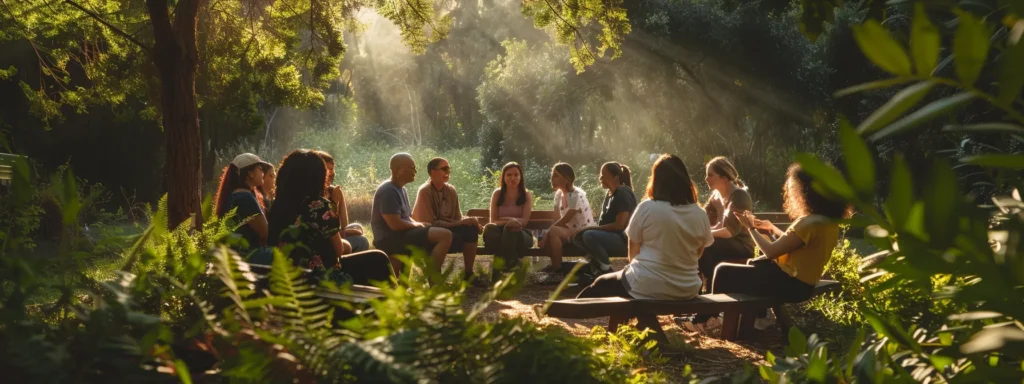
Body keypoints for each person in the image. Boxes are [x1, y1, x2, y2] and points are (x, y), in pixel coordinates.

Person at [682, 163, 850, 333]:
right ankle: (748, 319)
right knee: (754, 264)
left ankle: (703, 320)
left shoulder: (808, 223)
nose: (791, 194)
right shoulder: (826, 222)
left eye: (793, 189)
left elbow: (771, 251)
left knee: (723, 271)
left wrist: (750, 228)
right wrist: (771, 228)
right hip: (802, 284)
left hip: (792, 285)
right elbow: (794, 243)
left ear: (805, 193)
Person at [576, 154, 711, 339]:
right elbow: (699, 253)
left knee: (602, 282)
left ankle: (565, 314)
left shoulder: (648, 207)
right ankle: (625, 332)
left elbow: (633, 252)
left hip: (648, 284)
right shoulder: (699, 213)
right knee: (627, 289)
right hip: (688, 288)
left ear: (656, 179)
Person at [266, 149, 394, 286]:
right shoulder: (319, 205)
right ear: (317, 177)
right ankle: (395, 304)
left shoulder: (277, 205)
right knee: (378, 259)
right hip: (320, 278)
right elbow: (338, 250)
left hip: (288, 277)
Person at [371, 153, 453, 274]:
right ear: (400, 170)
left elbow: (406, 217)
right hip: (389, 239)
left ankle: (406, 285)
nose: (415, 171)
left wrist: (420, 224)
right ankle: (434, 279)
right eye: (412, 168)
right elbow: (395, 224)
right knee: (444, 235)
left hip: (401, 235)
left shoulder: (401, 189)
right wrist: (418, 226)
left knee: (433, 231)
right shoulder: (388, 191)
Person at [412, 157, 483, 283]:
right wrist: (459, 223)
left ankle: (468, 274)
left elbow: (457, 217)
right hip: (429, 232)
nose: (447, 172)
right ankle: (434, 277)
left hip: (448, 228)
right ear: (432, 172)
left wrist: (471, 221)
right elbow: (430, 223)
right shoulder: (425, 191)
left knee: (471, 230)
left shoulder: (451, 190)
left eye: (449, 169)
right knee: (446, 233)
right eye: (444, 169)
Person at [571, 162, 637, 286]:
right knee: (578, 237)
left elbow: (620, 225)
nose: (600, 178)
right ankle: (594, 267)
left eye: (603, 175)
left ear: (615, 177)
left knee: (588, 235)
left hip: (624, 240)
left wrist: (592, 228)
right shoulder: (610, 194)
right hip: (613, 237)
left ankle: (604, 269)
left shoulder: (622, 193)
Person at [538, 162, 596, 274]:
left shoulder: (576, 194)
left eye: (556, 176)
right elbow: (556, 219)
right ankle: (557, 269)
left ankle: (557, 271)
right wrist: (545, 236)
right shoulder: (559, 194)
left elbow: (567, 218)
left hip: (583, 232)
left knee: (553, 231)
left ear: (567, 179)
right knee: (550, 236)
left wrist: (547, 233)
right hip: (569, 231)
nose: (552, 179)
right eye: (552, 175)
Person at [214, 153, 271, 258]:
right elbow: (265, 234)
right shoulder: (245, 197)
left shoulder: (234, 195)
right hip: (249, 255)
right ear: (250, 173)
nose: (263, 172)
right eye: (260, 168)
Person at [483, 162, 534, 277]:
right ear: (504, 177)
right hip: (500, 233)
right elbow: (493, 221)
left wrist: (507, 220)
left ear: (520, 177)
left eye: (516, 175)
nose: (513, 178)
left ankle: (503, 267)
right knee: (491, 228)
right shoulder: (497, 194)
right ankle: (510, 265)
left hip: (521, 235)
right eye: (509, 175)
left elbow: (524, 221)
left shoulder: (526, 195)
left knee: (511, 228)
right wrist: (509, 221)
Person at [314, 150, 370, 253]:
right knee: (362, 241)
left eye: (332, 169)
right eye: (327, 169)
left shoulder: (334, 191)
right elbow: (325, 229)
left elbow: (344, 225)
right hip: (324, 238)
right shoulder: (313, 195)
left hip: (336, 234)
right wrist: (334, 203)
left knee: (357, 227)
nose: (331, 173)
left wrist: (346, 231)